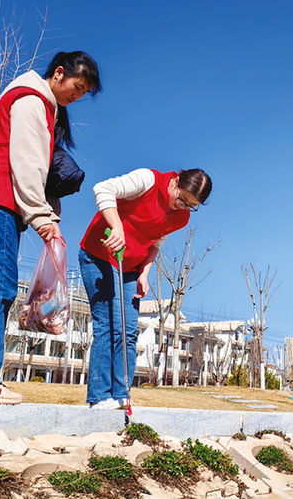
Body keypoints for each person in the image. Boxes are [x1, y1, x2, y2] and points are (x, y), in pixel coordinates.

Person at [0, 51, 102, 405]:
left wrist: (47, 214)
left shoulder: (38, 102)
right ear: (59, 73)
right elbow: (27, 163)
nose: (77, 95)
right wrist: (41, 217)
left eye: (83, 93)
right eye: (77, 86)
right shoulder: (31, 100)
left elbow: (39, 171)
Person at [79, 168, 212, 410]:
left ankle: (121, 395)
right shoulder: (148, 180)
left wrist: (144, 272)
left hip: (130, 266)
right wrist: (117, 226)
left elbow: (157, 240)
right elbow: (103, 188)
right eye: (181, 198)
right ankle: (100, 396)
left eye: (191, 206)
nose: (183, 206)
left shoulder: (181, 217)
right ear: (175, 181)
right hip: (99, 255)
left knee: (128, 331)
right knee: (108, 325)